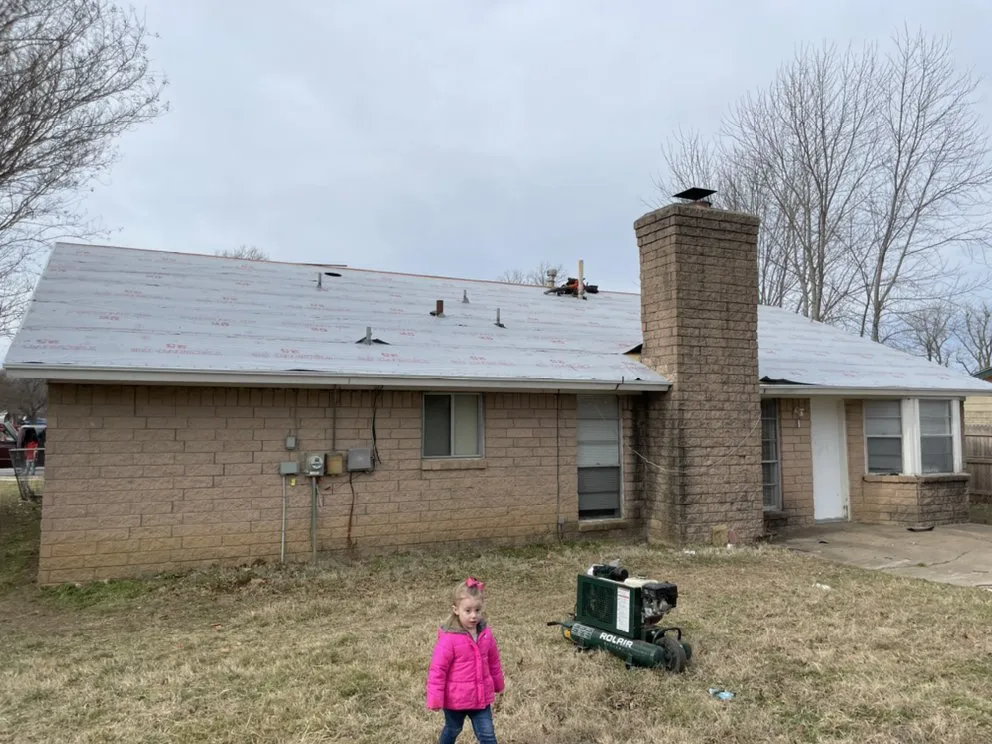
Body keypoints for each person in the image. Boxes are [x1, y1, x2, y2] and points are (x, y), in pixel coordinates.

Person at [427, 577, 505, 744]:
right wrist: (435, 697)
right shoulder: (449, 638)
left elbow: (494, 661)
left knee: (488, 736)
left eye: (477, 610)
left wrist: (498, 683)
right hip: (455, 699)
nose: (473, 615)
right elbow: (438, 670)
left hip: (480, 696)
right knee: (453, 729)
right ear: (456, 610)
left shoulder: (485, 634)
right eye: (468, 611)